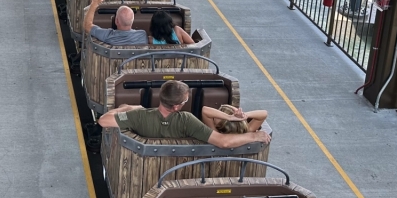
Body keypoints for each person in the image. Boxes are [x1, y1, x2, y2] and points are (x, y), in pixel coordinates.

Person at [97, 81, 269, 149]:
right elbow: (223, 142)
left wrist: (126, 107)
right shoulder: (188, 121)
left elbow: (103, 120)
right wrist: (253, 135)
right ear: (178, 106)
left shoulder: (139, 116)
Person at [201, 104, 270, 136]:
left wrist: (229, 117)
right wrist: (245, 115)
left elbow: (205, 110)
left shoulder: (215, 133)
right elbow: (264, 114)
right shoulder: (245, 132)